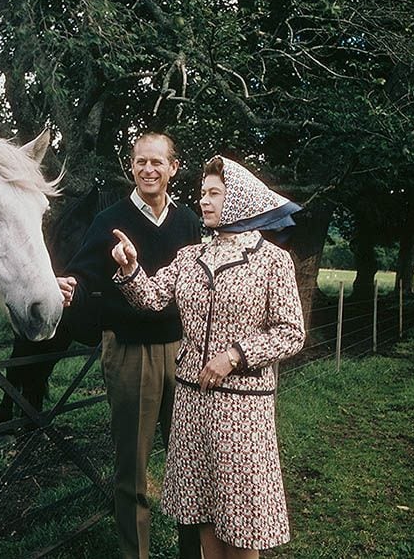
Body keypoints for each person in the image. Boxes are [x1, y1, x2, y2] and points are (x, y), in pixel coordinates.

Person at [111, 155, 305, 559]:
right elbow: (150, 298)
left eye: (215, 193)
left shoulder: (272, 260)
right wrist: (131, 269)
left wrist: (234, 355)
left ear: (239, 199)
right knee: (202, 515)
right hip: (191, 404)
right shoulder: (189, 256)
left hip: (243, 411)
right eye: (202, 193)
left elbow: (291, 333)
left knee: (241, 523)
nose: (204, 201)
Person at [58, 132, 202, 559]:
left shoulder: (190, 222)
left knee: (189, 464)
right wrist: (72, 288)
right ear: (132, 167)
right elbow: (84, 276)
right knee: (132, 469)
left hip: (183, 351)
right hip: (130, 353)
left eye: (157, 162)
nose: (148, 170)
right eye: (140, 162)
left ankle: (191, 552)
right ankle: (134, 553)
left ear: (173, 168)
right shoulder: (110, 220)